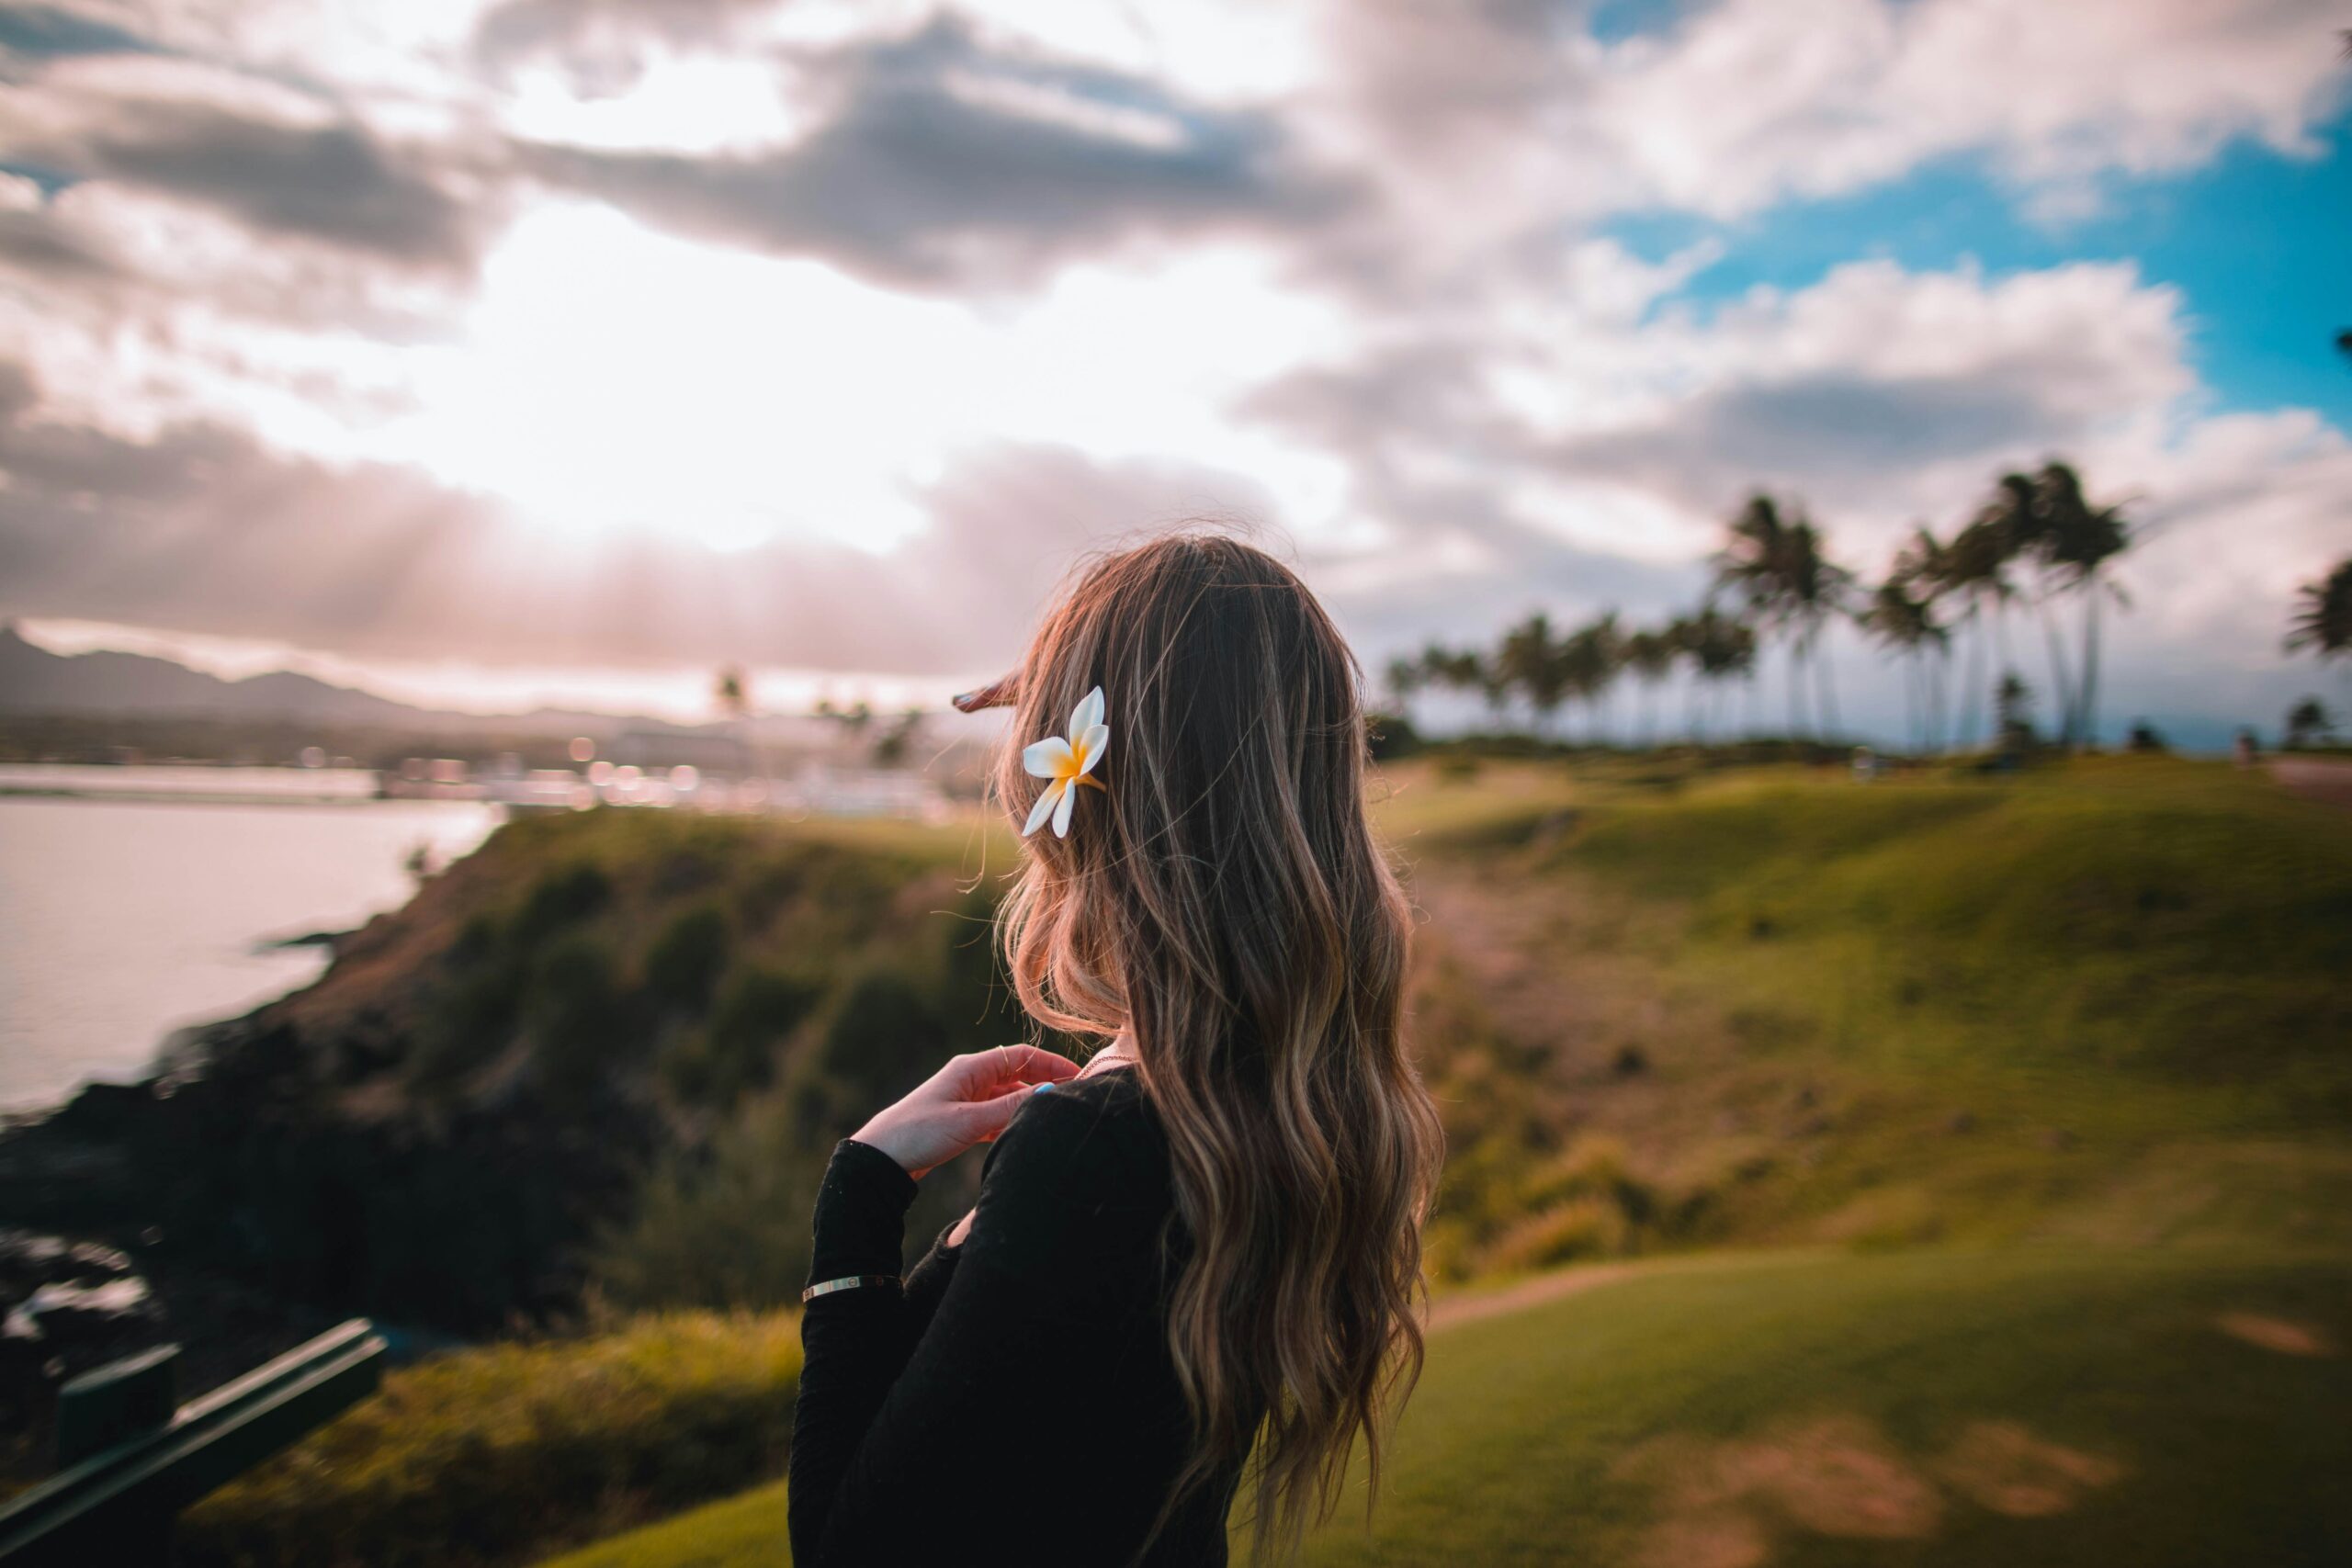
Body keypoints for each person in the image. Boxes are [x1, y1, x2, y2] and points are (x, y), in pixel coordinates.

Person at [787, 534, 1446, 1567]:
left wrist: (859, 1195)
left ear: (1090, 789)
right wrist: (1082, 690)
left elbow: (846, 1551)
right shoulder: (1273, 1098)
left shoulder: (1096, 1150)